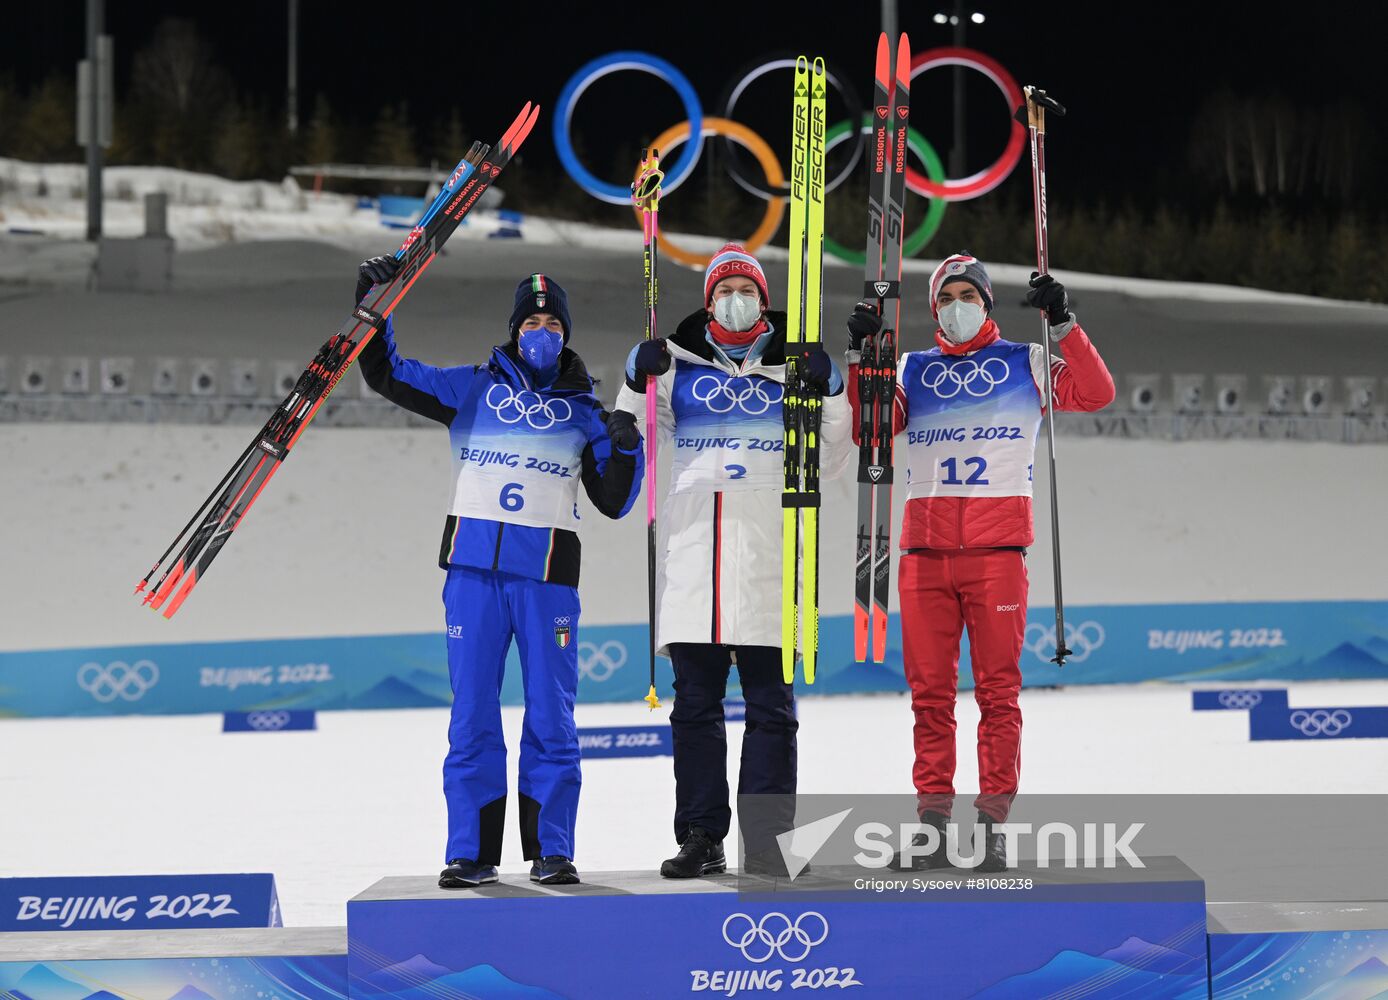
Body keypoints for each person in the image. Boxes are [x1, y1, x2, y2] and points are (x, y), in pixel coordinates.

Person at [355, 256, 644, 888]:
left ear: (566, 333)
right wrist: (377, 310)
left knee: (551, 715)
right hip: (472, 578)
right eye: (531, 319)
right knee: (473, 717)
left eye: (553, 322)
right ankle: (471, 853)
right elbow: (387, 374)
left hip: (546, 582)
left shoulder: (586, 412)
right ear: (515, 329)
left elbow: (617, 502)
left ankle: (553, 850)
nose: (542, 330)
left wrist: (627, 441)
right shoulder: (471, 389)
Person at [845, 252, 1114, 872]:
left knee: (998, 693)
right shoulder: (912, 367)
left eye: (968, 295)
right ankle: (933, 826)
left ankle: (992, 825)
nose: (956, 306)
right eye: (945, 296)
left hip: (996, 554)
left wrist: (1064, 323)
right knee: (929, 697)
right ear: (933, 306)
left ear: (987, 303)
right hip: (924, 555)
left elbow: (1097, 393)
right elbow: (872, 429)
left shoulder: (1026, 360)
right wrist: (864, 359)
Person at [615, 243, 852, 878]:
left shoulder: (788, 371)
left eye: (745, 289)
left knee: (771, 708)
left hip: (769, 562)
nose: (735, 299)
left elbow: (831, 456)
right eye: (724, 289)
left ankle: (770, 840)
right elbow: (633, 435)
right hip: (694, 561)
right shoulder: (677, 366)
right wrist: (636, 379)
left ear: (763, 300)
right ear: (707, 300)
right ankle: (700, 834)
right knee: (695, 708)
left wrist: (832, 390)